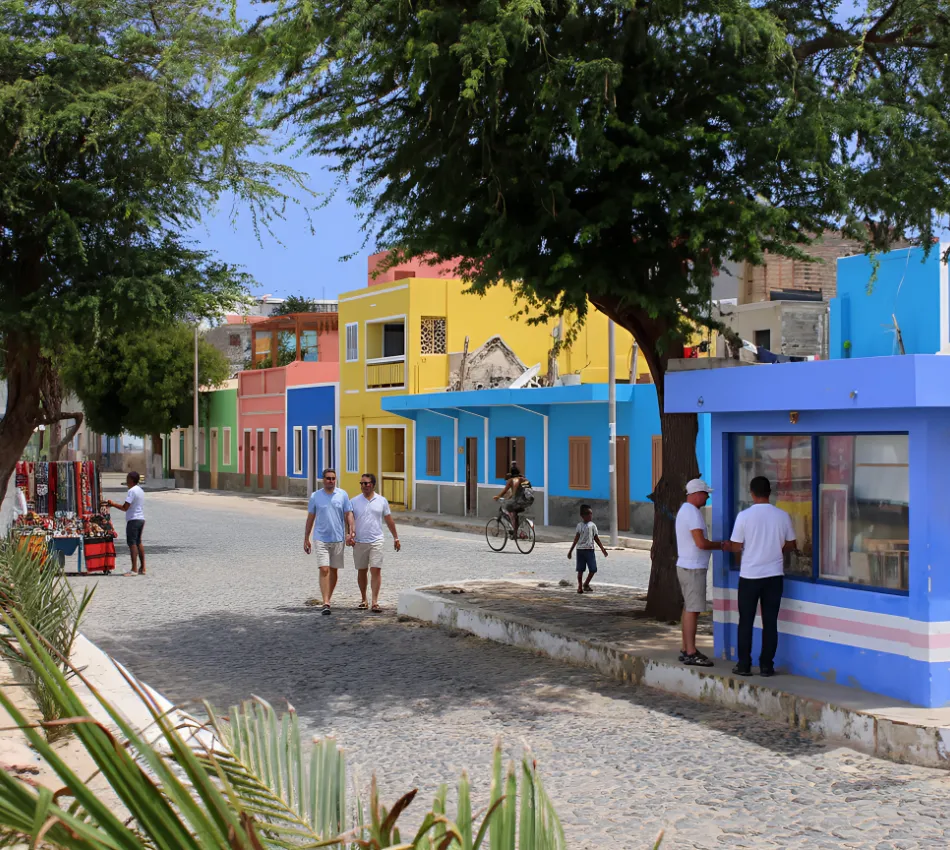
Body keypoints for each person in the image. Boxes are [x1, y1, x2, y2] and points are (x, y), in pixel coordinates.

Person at [726, 476, 797, 677]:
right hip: (774, 576)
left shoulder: (744, 516)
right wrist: (776, 548)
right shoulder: (782, 516)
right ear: (769, 493)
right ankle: (766, 666)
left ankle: (744, 664)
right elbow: (792, 544)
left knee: (746, 621)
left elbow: (736, 545)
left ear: (751, 493)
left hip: (749, 576)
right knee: (770, 622)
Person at [675, 479, 723, 667]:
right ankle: (691, 651)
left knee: (689, 608)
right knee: (693, 609)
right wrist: (721, 545)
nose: (707, 497)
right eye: (705, 493)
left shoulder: (685, 511)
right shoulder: (692, 513)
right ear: (696, 494)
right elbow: (701, 543)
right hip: (693, 567)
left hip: (687, 565)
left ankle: (686, 647)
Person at [304, 468, 355, 616]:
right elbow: (310, 518)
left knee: (334, 571)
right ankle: (326, 602)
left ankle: (328, 598)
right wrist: (306, 537)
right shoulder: (315, 496)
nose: (331, 481)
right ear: (323, 480)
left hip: (338, 539)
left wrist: (350, 531)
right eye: (328, 478)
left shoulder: (342, 495)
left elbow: (348, 514)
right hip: (321, 538)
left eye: (333, 478)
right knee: (324, 569)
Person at [350, 473, 401, 613]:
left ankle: (374, 601)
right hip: (359, 541)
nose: (363, 486)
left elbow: (389, 520)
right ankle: (363, 599)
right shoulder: (354, 501)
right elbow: (349, 520)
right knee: (362, 570)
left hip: (376, 540)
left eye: (366, 483)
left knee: (376, 569)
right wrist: (349, 535)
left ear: (373, 484)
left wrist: (396, 537)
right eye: (361, 483)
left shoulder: (381, 501)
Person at [106, 471, 146, 576]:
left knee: (132, 543)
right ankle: (143, 567)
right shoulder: (140, 490)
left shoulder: (132, 491)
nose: (126, 481)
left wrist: (113, 504)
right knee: (138, 542)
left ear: (131, 480)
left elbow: (125, 508)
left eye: (127, 479)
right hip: (141, 519)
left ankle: (134, 570)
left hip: (133, 520)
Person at [567, 504, 608, 593]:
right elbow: (576, 538)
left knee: (593, 569)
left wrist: (602, 549)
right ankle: (580, 587)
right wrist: (570, 551)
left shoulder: (593, 526)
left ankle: (586, 583)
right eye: (587, 513)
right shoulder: (579, 525)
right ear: (582, 515)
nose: (590, 515)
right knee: (580, 570)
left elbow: (596, 538)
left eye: (591, 513)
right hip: (580, 550)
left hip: (590, 550)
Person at [493, 464, 530, 536]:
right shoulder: (524, 480)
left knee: (509, 509)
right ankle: (518, 529)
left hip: (518, 502)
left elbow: (504, 491)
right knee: (515, 511)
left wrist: (497, 496)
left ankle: (514, 531)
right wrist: (510, 497)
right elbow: (521, 491)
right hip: (526, 501)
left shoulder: (511, 480)